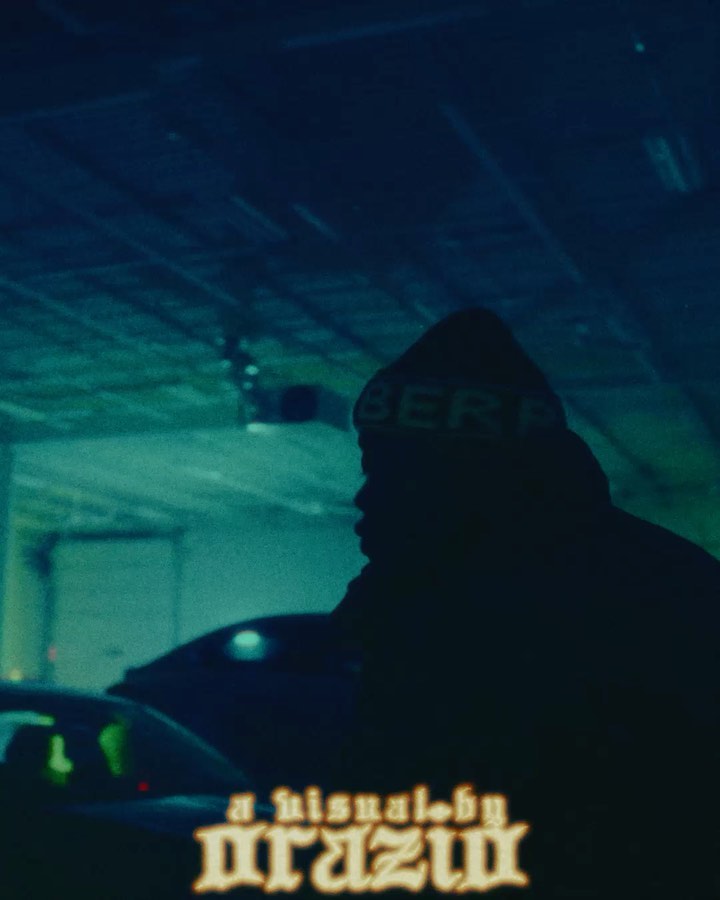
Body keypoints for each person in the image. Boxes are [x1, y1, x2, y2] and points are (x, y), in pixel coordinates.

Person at [331, 308, 719, 898]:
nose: (363, 498)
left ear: (464, 474)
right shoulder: (664, 581)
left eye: (390, 470)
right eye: (370, 468)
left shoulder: (461, 607)